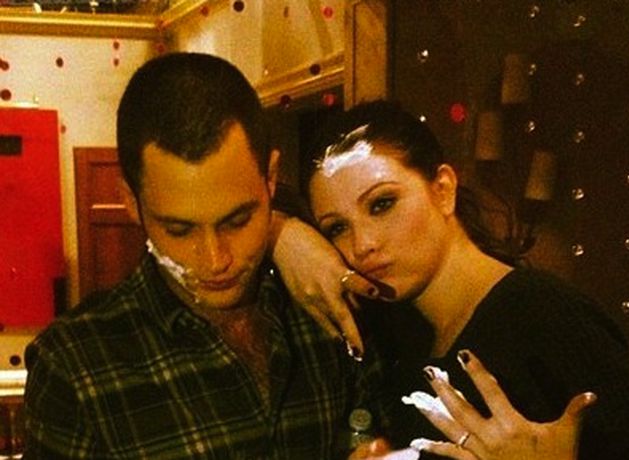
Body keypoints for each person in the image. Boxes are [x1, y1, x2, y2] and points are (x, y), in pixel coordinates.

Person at [21, 52, 388, 459]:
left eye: (238, 221)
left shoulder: (324, 303)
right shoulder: (74, 366)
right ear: (129, 200)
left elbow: (377, 425)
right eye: (179, 230)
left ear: (270, 178)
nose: (215, 260)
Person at [286, 100, 629, 459]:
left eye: (382, 204)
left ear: (443, 190)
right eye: (337, 228)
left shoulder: (543, 313)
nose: (362, 245)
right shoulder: (402, 334)